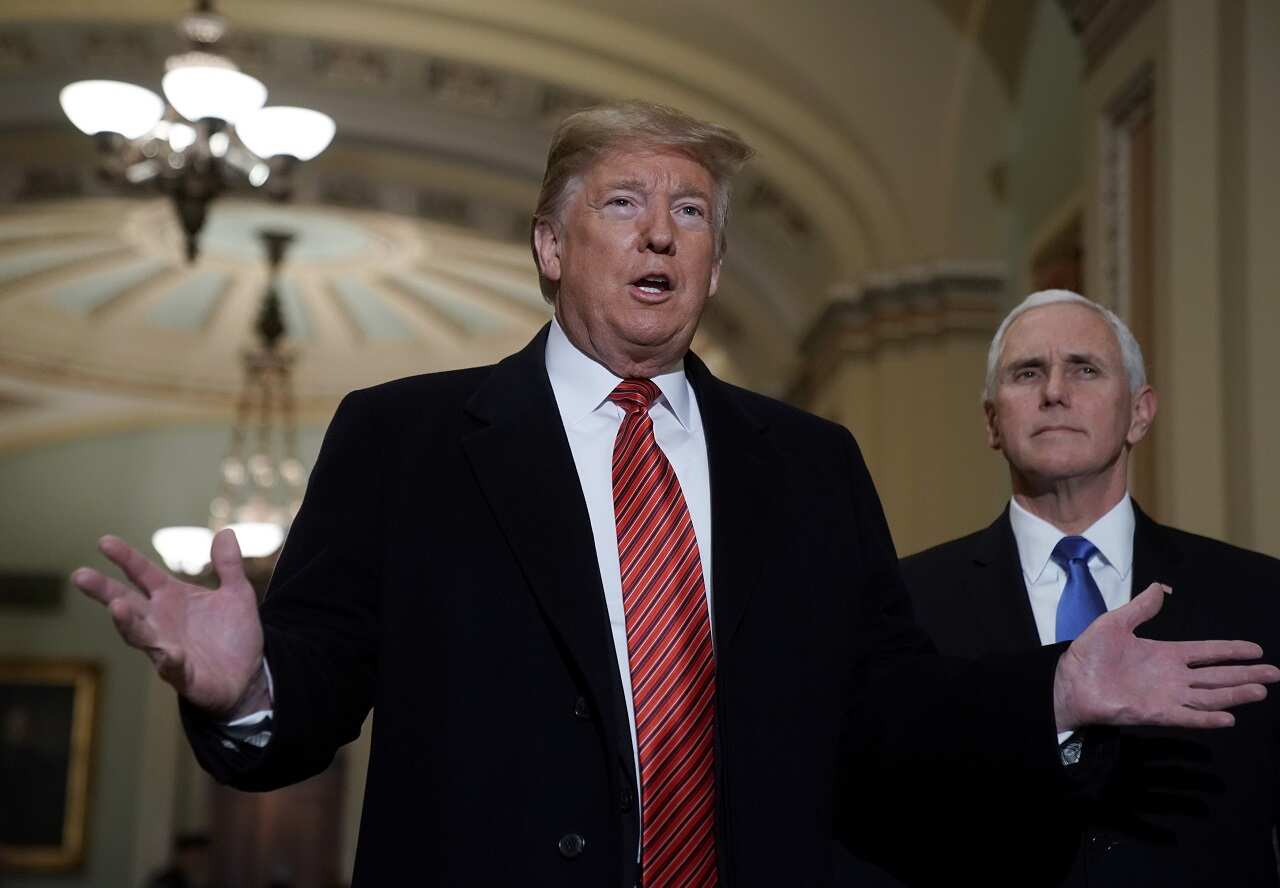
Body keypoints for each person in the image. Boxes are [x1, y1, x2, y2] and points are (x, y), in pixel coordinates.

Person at [72, 105, 1278, 887]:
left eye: (690, 212)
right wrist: (249, 686)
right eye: (622, 205)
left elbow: (890, 713)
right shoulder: (409, 438)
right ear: (551, 245)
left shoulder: (809, 463)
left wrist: (1054, 687)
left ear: (709, 259)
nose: (659, 235)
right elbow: (317, 688)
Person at [894, 289, 1280, 886]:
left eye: (1085, 369)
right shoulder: (906, 601)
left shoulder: (1257, 594)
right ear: (993, 422)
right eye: (1027, 373)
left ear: (1140, 413)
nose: (1054, 391)